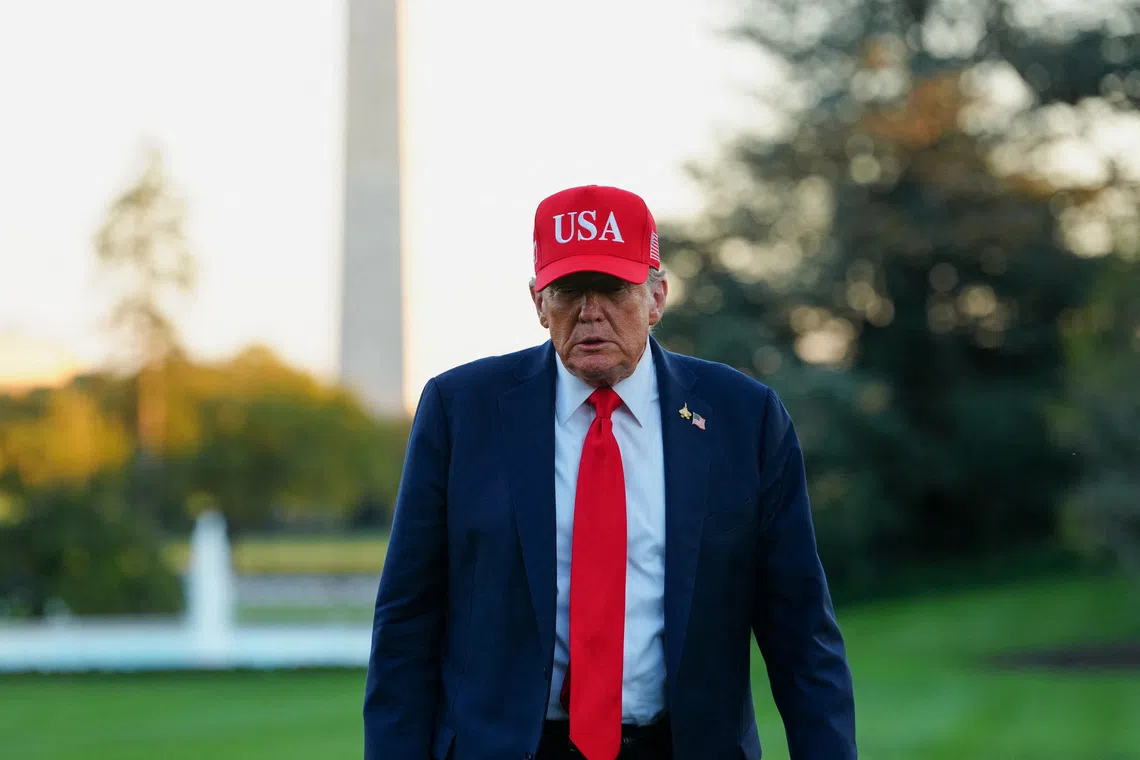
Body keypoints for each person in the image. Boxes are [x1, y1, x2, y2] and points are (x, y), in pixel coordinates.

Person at [363, 184, 857, 760]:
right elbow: (406, 623)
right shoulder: (460, 409)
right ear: (538, 302)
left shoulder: (742, 417)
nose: (590, 312)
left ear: (657, 298)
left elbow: (801, 633)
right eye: (570, 290)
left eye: (614, 289)